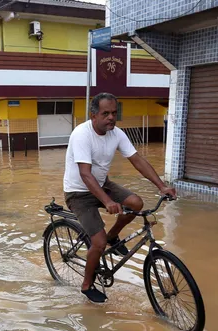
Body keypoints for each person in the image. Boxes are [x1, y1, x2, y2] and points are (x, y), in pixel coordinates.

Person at [64, 93, 176, 303]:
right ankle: (87, 285)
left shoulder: (116, 134)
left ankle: (113, 237)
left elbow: (137, 160)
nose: (111, 118)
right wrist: (107, 201)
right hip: (78, 192)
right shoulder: (81, 134)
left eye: (114, 113)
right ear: (93, 115)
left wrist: (162, 186)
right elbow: (85, 174)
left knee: (136, 203)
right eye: (105, 113)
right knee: (97, 243)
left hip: (102, 183)